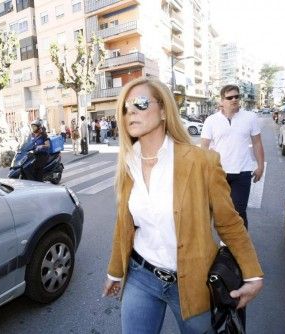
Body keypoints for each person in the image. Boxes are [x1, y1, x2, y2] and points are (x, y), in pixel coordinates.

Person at [102, 78, 263, 334]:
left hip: (193, 281)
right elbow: (124, 225)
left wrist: (253, 274)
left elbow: (228, 222)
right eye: (125, 107)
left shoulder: (201, 162)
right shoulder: (128, 164)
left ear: (164, 110)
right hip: (141, 276)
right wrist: (116, 272)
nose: (130, 111)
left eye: (140, 103)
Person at [200, 84, 265, 229]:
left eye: (237, 96)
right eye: (230, 97)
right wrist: (203, 171)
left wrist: (260, 166)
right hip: (218, 173)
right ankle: (226, 245)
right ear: (222, 100)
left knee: (238, 211)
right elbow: (204, 147)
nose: (234, 99)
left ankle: (240, 249)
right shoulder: (211, 120)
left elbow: (257, 143)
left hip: (242, 172)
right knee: (221, 212)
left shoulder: (250, 117)